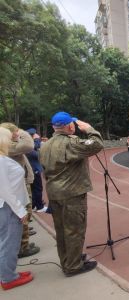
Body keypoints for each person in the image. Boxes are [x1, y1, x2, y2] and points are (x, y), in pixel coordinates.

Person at [40, 112, 103, 277]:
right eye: (73, 124)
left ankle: (68, 259)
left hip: (54, 193)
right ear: (69, 126)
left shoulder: (44, 145)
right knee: (74, 230)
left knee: (61, 230)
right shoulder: (71, 143)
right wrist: (89, 128)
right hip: (72, 193)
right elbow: (96, 144)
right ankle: (73, 266)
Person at [0, 127, 33, 290]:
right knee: (9, 242)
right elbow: (4, 189)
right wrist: (20, 211)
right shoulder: (0, 160)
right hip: (8, 207)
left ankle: (9, 273)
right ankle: (8, 278)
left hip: (9, 205)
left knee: (8, 241)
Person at [0, 122, 40, 258]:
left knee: (24, 214)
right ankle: (23, 246)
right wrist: (21, 131)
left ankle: (23, 242)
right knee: (21, 215)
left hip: (18, 185)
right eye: (15, 133)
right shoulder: (7, 147)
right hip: (14, 189)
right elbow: (29, 145)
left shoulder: (10, 145)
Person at [26, 128, 47, 212]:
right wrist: (37, 140)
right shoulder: (29, 146)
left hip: (31, 169)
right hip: (34, 169)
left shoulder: (27, 145)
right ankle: (39, 207)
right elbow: (37, 154)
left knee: (33, 189)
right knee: (38, 188)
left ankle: (35, 204)